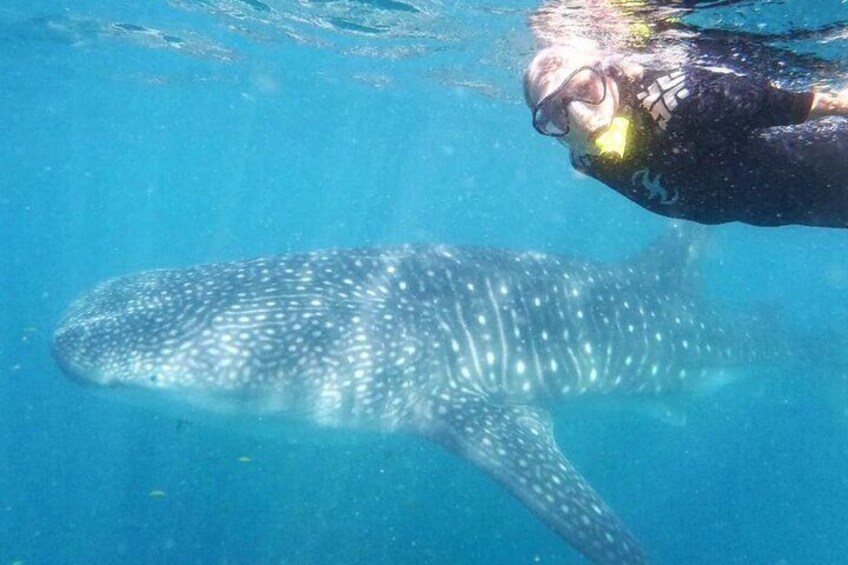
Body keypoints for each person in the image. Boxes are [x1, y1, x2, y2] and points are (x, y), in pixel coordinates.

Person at [524, 43, 848, 227]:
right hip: (805, 208)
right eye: (554, 113)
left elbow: (807, 103)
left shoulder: (681, 101)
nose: (580, 118)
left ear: (609, 74)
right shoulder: (583, 158)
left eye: (585, 88)